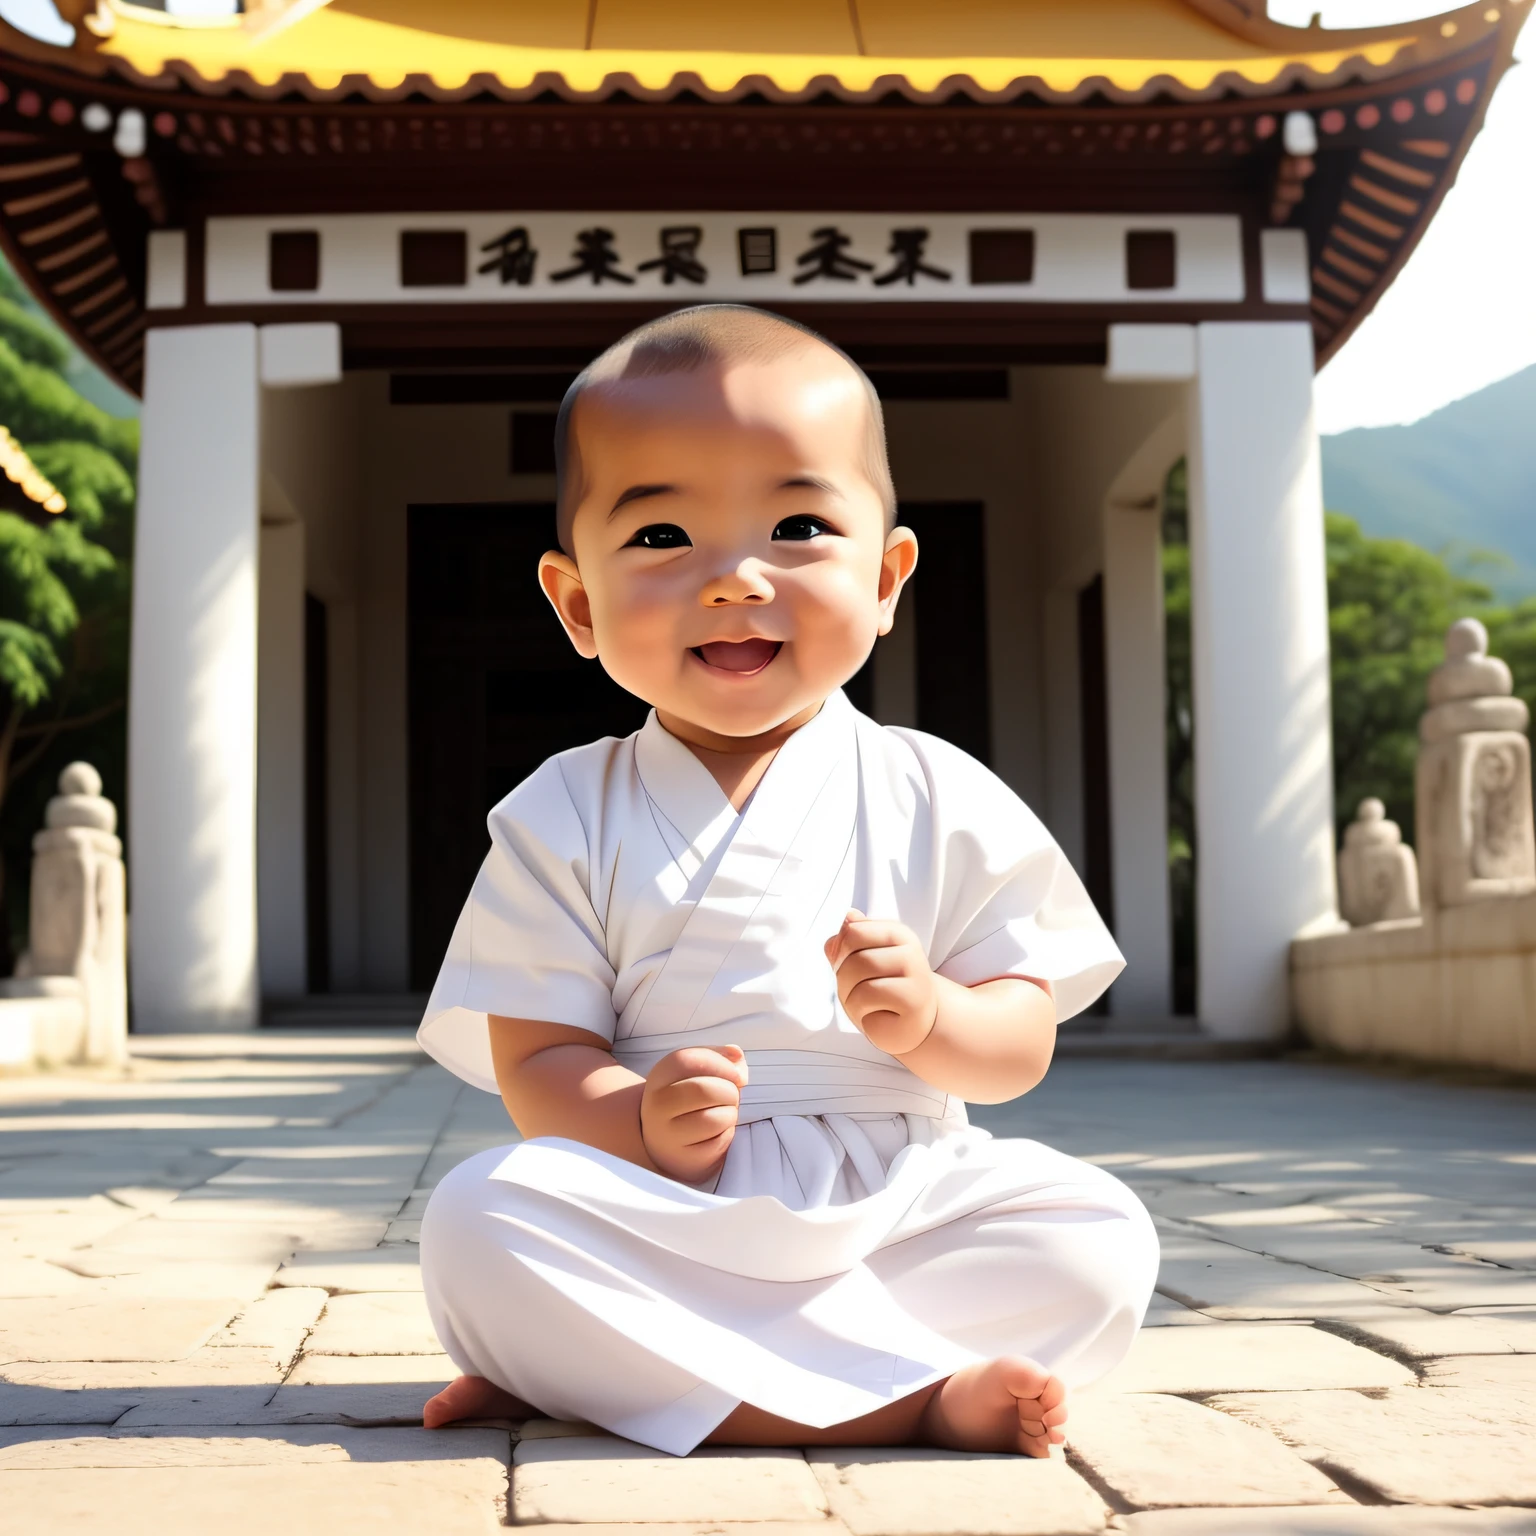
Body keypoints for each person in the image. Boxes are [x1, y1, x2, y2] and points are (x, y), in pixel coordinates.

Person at [415, 303, 1158, 1458]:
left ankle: (617, 1378)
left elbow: (1020, 1045)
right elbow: (539, 1063)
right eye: (662, 538)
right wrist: (642, 1121)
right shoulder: (563, 809)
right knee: (481, 1219)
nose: (734, 579)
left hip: (899, 1194)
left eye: (800, 525)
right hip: (666, 1205)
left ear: (888, 576)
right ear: (575, 602)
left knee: (1095, 1234)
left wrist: (934, 1018)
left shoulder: (937, 787)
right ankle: (908, 1399)